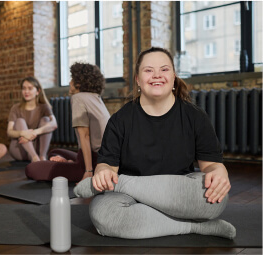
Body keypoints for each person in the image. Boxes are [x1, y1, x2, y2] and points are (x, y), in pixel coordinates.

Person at [74, 47, 236, 240]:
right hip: (131, 197)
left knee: (218, 199)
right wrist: (102, 172)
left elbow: (211, 165)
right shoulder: (120, 120)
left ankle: (122, 186)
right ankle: (193, 226)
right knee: (104, 213)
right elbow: (107, 164)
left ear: (174, 76)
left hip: (178, 194)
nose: (157, 75)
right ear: (138, 79)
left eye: (164, 69)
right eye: (149, 70)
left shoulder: (195, 117)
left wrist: (219, 172)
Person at [25, 62, 110, 182]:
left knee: (31, 169)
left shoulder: (78, 98)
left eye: (72, 79)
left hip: (94, 163)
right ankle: (71, 163)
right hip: (103, 158)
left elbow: (85, 135)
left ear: (78, 83)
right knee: (54, 152)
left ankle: (78, 167)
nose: (70, 82)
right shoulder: (95, 97)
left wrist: (88, 171)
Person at [7, 77, 57, 162]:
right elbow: (9, 131)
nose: (26, 92)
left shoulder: (44, 107)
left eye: (30, 88)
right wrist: (23, 133)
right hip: (19, 148)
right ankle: (34, 158)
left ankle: (42, 157)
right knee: (20, 121)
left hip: (37, 147)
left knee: (46, 120)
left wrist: (34, 132)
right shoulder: (16, 108)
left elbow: (54, 124)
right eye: (24, 88)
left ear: (38, 91)